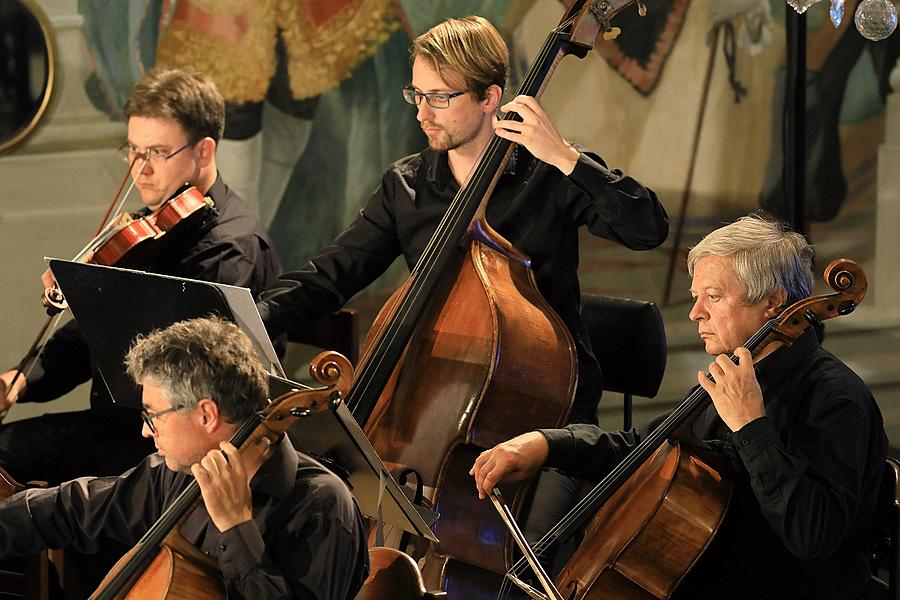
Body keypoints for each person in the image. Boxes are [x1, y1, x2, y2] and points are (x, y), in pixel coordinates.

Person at [257, 14, 668, 429]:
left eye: (439, 97)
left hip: (546, 412)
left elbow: (648, 229)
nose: (422, 114)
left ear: (489, 98)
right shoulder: (407, 185)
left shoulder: (548, 172)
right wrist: (252, 319)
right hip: (434, 399)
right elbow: (332, 273)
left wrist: (565, 157)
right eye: (416, 95)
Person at [471, 214, 888, 599]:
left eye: (714, 296)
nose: (695, 313)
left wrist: (750, 425)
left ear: (774, 302)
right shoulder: (733, 374)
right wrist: (547, 444)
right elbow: (642, 448)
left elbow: (814, 536)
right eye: (696, 296)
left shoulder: (836, 399)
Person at [0, 68, 283, 484]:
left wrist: (94, 300)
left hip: (176, 452)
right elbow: (90, 335)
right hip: (117, 429)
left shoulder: (230, 247)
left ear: (204, 151)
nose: (140, 169)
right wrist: (21, 380)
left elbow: (185, 378)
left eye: (155, 152)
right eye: (132, 150)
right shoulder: (155, 228)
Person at [0, 316, 368, 599]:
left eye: (151, 415)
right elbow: (73, 508)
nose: (145, 431)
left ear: (206, 414)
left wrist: (236, 528)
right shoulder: (178, 474)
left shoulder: (321, 505)